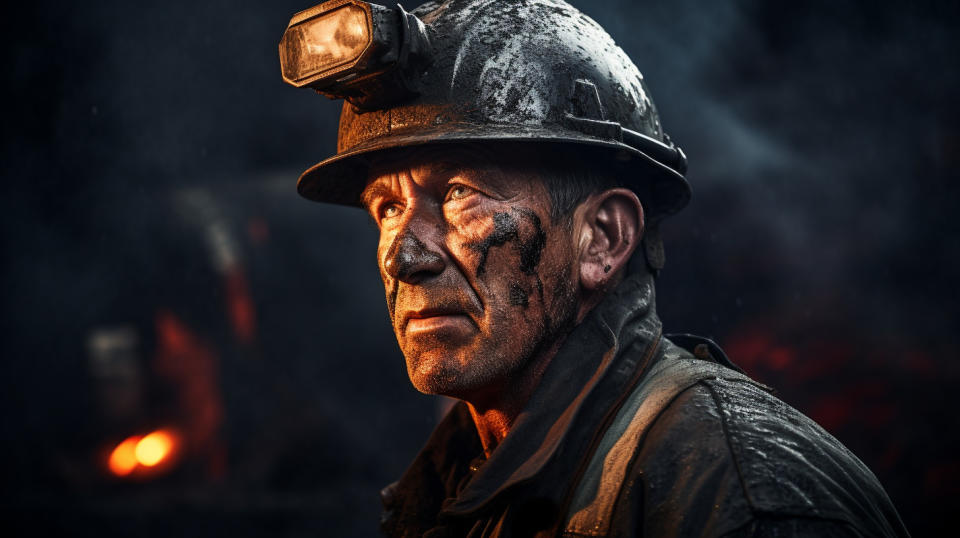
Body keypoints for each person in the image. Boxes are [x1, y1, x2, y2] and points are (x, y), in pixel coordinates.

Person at [278, 0, 909, 535]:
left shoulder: (738, 498)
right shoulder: (461, 489)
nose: (403, 255)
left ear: (602, 240)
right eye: (386, 207)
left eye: (459, 194)